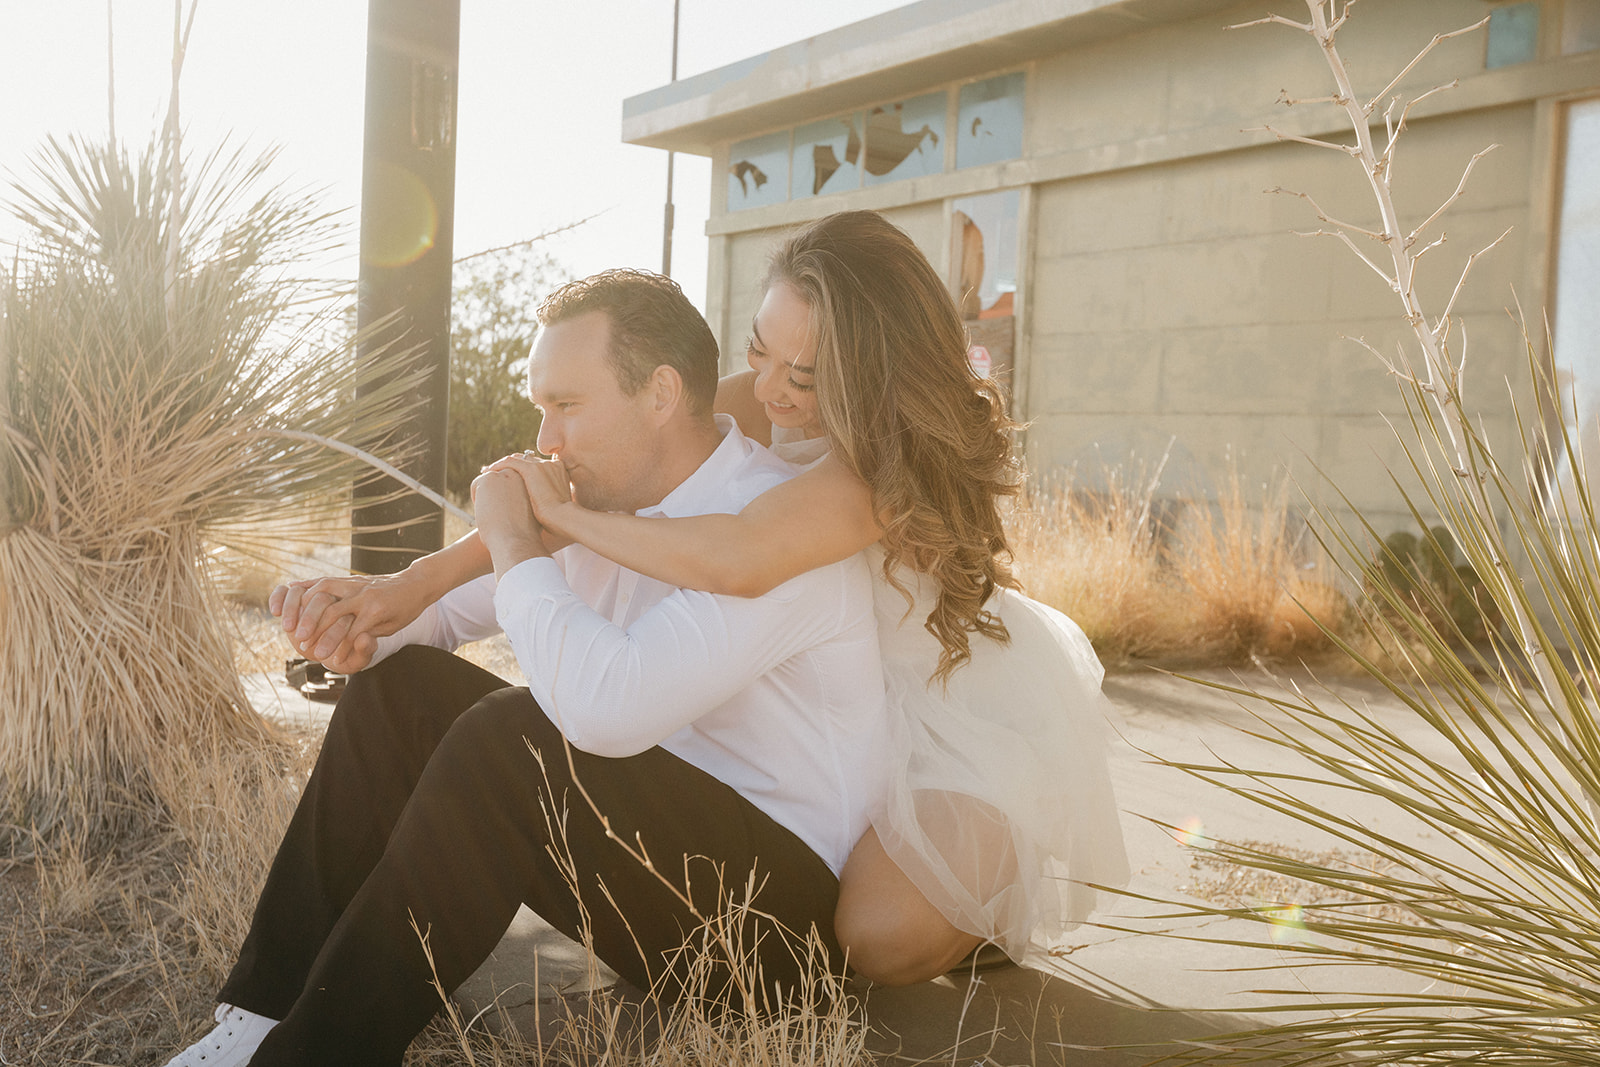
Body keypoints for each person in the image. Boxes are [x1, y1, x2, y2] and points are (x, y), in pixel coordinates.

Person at [286, 210, 1129, 988]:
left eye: (804, 373)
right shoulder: (741, 398)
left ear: (874, 376)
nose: (769, 390)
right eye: (760, 348)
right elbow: (596, 493)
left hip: (939, 691)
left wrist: (562, 515)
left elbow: (734, 555)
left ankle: (978, 922)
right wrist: (411, 585)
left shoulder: (863, 480)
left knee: (879, 936)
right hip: (815, 669)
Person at [162, 269, 889, 1067]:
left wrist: (515, 542)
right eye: (542, 409)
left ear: (660, 392)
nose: (546, 441)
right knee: (405, 689)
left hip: (773, 931)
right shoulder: (604, 494)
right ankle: (255, 1019)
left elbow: (606, 712)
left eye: (567, 407)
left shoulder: (772, 529)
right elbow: (448, 614)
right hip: (649, 857)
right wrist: (362, 625)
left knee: (515, 742)